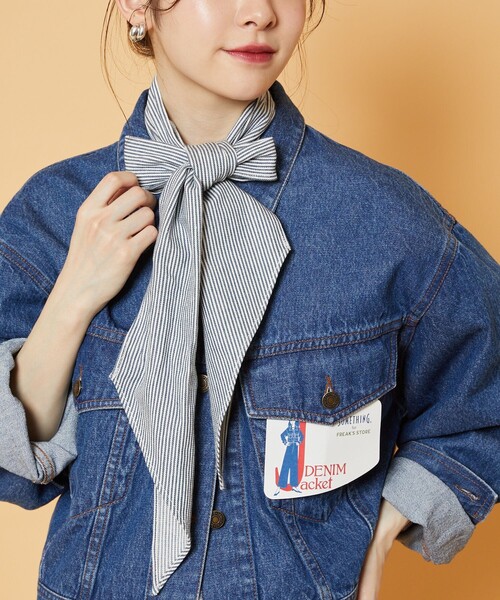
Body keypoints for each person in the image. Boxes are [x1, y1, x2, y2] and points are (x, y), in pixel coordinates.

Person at [0, 1, 498, 599]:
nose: (260, 13)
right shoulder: (55, 213)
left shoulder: (386, 221)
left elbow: (483, 406)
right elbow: (14, 472)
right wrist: (74, 296)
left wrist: (386, 530)